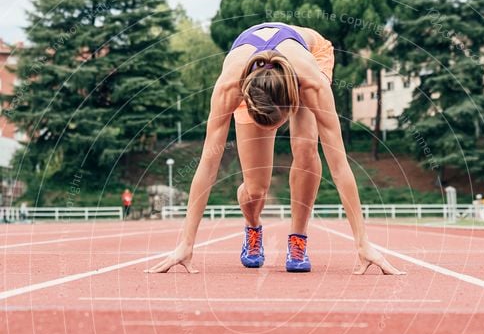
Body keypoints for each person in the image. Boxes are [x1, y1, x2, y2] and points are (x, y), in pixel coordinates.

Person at [148, 22, 404, 275]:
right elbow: (208, 165)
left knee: (305, 148)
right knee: (256, 189)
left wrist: (363, 243)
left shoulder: (312, 85)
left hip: (312, 54)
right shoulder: (229, 88)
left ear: (293, 102)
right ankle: (252, 227)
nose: (271, 132)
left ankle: (298, 240)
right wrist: (185, 243)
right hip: (254, 75)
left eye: (276, 124)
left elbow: (339, 166)